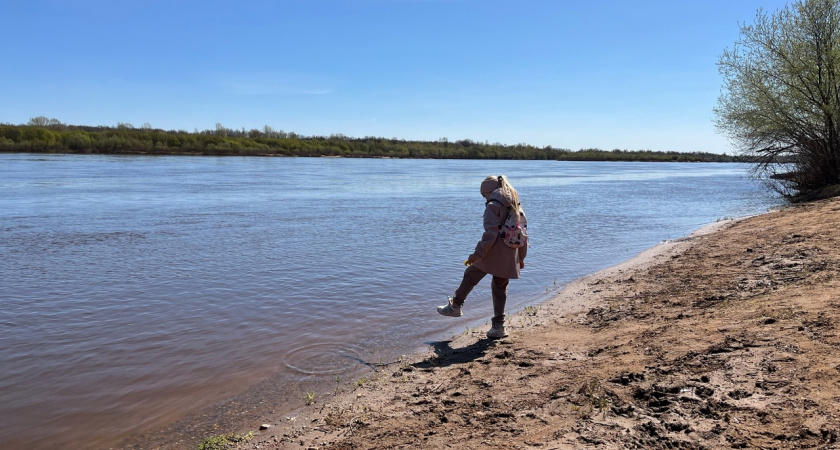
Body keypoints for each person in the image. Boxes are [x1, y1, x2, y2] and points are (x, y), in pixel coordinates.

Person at [437, 175, 527, 339]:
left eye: (483, 195)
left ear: (488, 191)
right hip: (510, 252)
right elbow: (523, 233)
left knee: (470, 275)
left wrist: (477, 254)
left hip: (492, 251)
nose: (484, 198)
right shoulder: (515, 202)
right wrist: (521, 257)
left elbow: (490, 234)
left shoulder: (493, 205)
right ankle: (499, 327)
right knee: (500, 289)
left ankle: (455, 306)